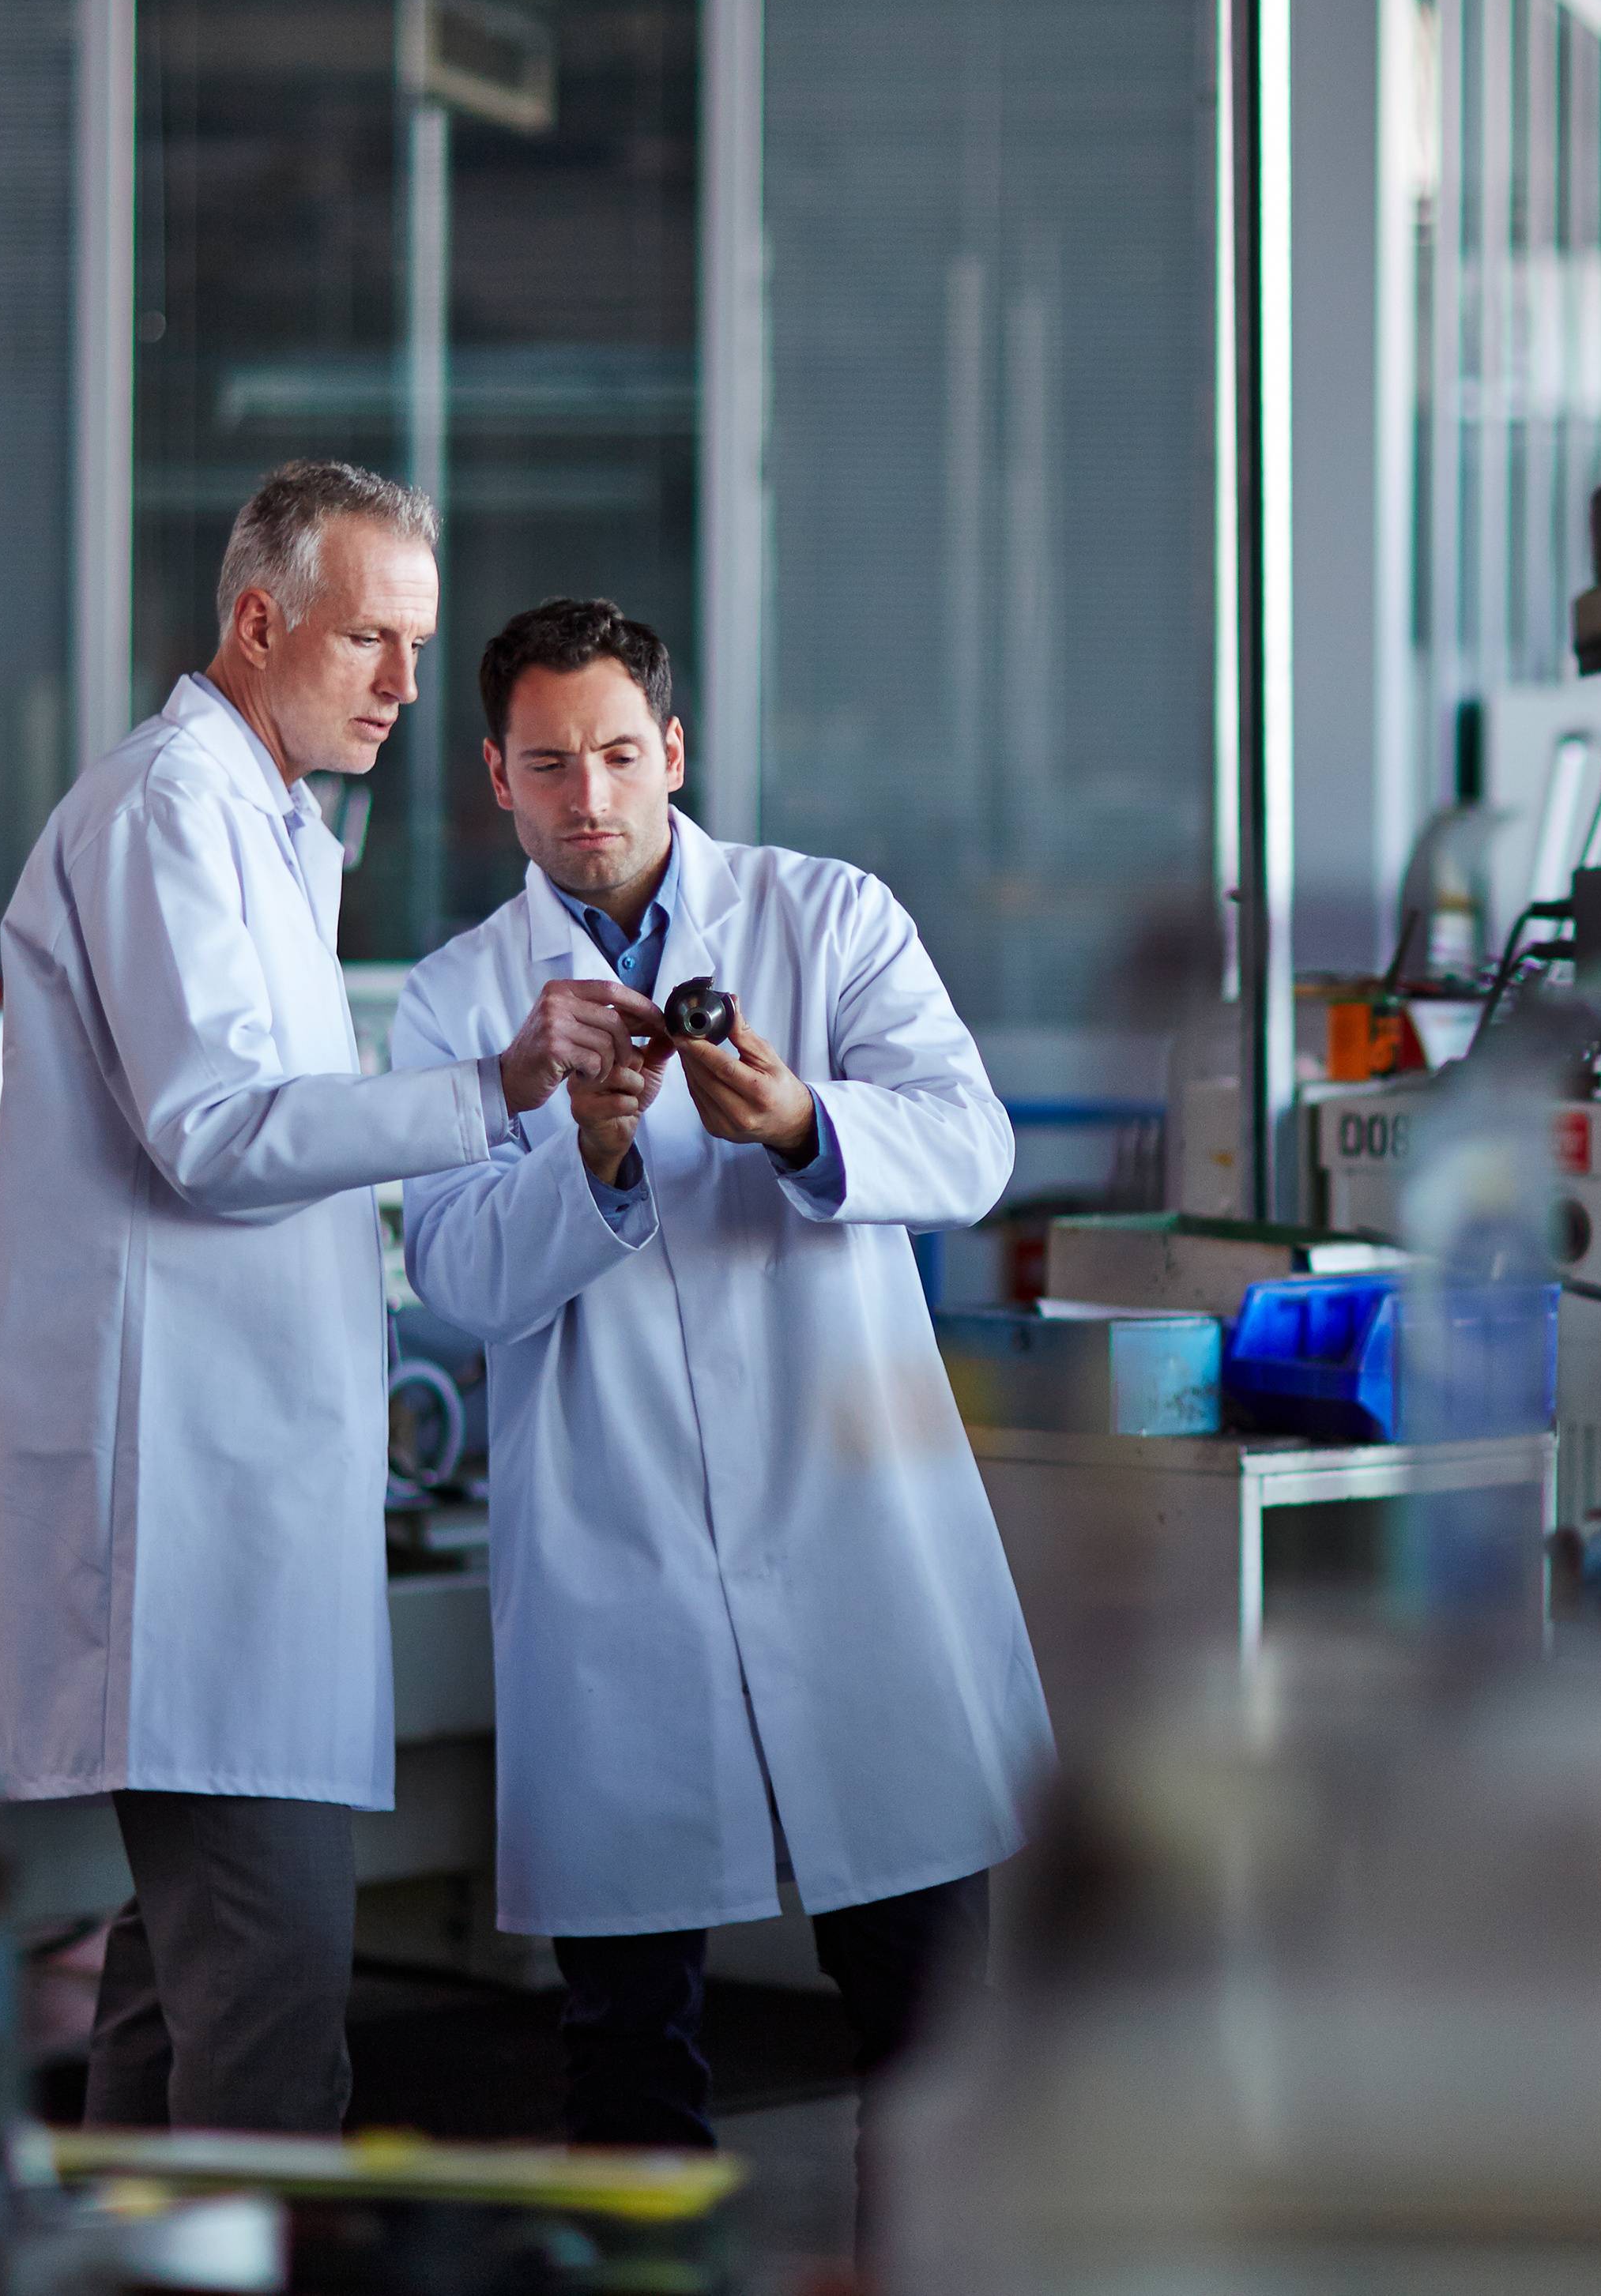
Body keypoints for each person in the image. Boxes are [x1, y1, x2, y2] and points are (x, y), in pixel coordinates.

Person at [0, 462, 627, 2134]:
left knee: (174, 2006)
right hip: (192, 1525)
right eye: (371, 644)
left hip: (246, 1503)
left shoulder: (268, 821)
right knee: (262, 2035)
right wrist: (496, 1088)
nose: (409, 686)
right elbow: (217, 1131)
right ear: (259, 623)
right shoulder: (166, 811)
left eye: (415, 644)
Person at [386, 597, 1050, 2157]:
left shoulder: (826, 919)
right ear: (496, 774)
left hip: (851, 1545)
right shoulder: (460, 1002)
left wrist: (805, 1122)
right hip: (618, 1580)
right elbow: (464, 1275)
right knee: (629, 2066)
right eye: (549, 765)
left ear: (673, 748)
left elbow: (971, 1144)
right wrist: (596, 1158)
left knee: (931, 2040)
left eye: (620, 754)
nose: (591, 799)